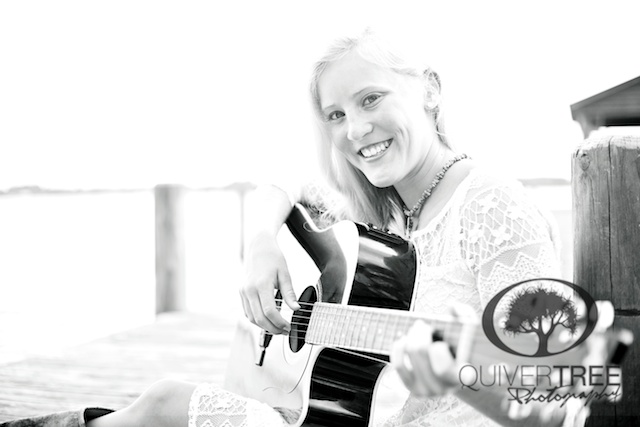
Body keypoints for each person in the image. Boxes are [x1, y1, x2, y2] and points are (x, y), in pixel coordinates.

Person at [1, 28, 588, 427]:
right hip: (346, 414)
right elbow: (282, 186)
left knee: (162, 404)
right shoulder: (381, 210)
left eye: (371, 99)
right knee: (161, 402)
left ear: (429, 89)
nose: (355, 130)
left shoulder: (492, 205)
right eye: (336, 114)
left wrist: (444, 365)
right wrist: (260, 244)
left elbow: (550, 395)